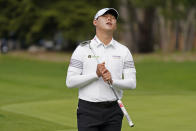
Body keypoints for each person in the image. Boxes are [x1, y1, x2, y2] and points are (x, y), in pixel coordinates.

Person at [66, 8, 136, 131]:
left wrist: (113, 81)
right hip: (87, 109)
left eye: (113, 17)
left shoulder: (124, 51)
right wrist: (96, 74)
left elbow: (132, 83)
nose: (110, 19)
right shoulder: (82, 49)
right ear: (95, 22)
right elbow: (70, 82)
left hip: (114, 110)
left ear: (115, 25)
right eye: (105, 16)